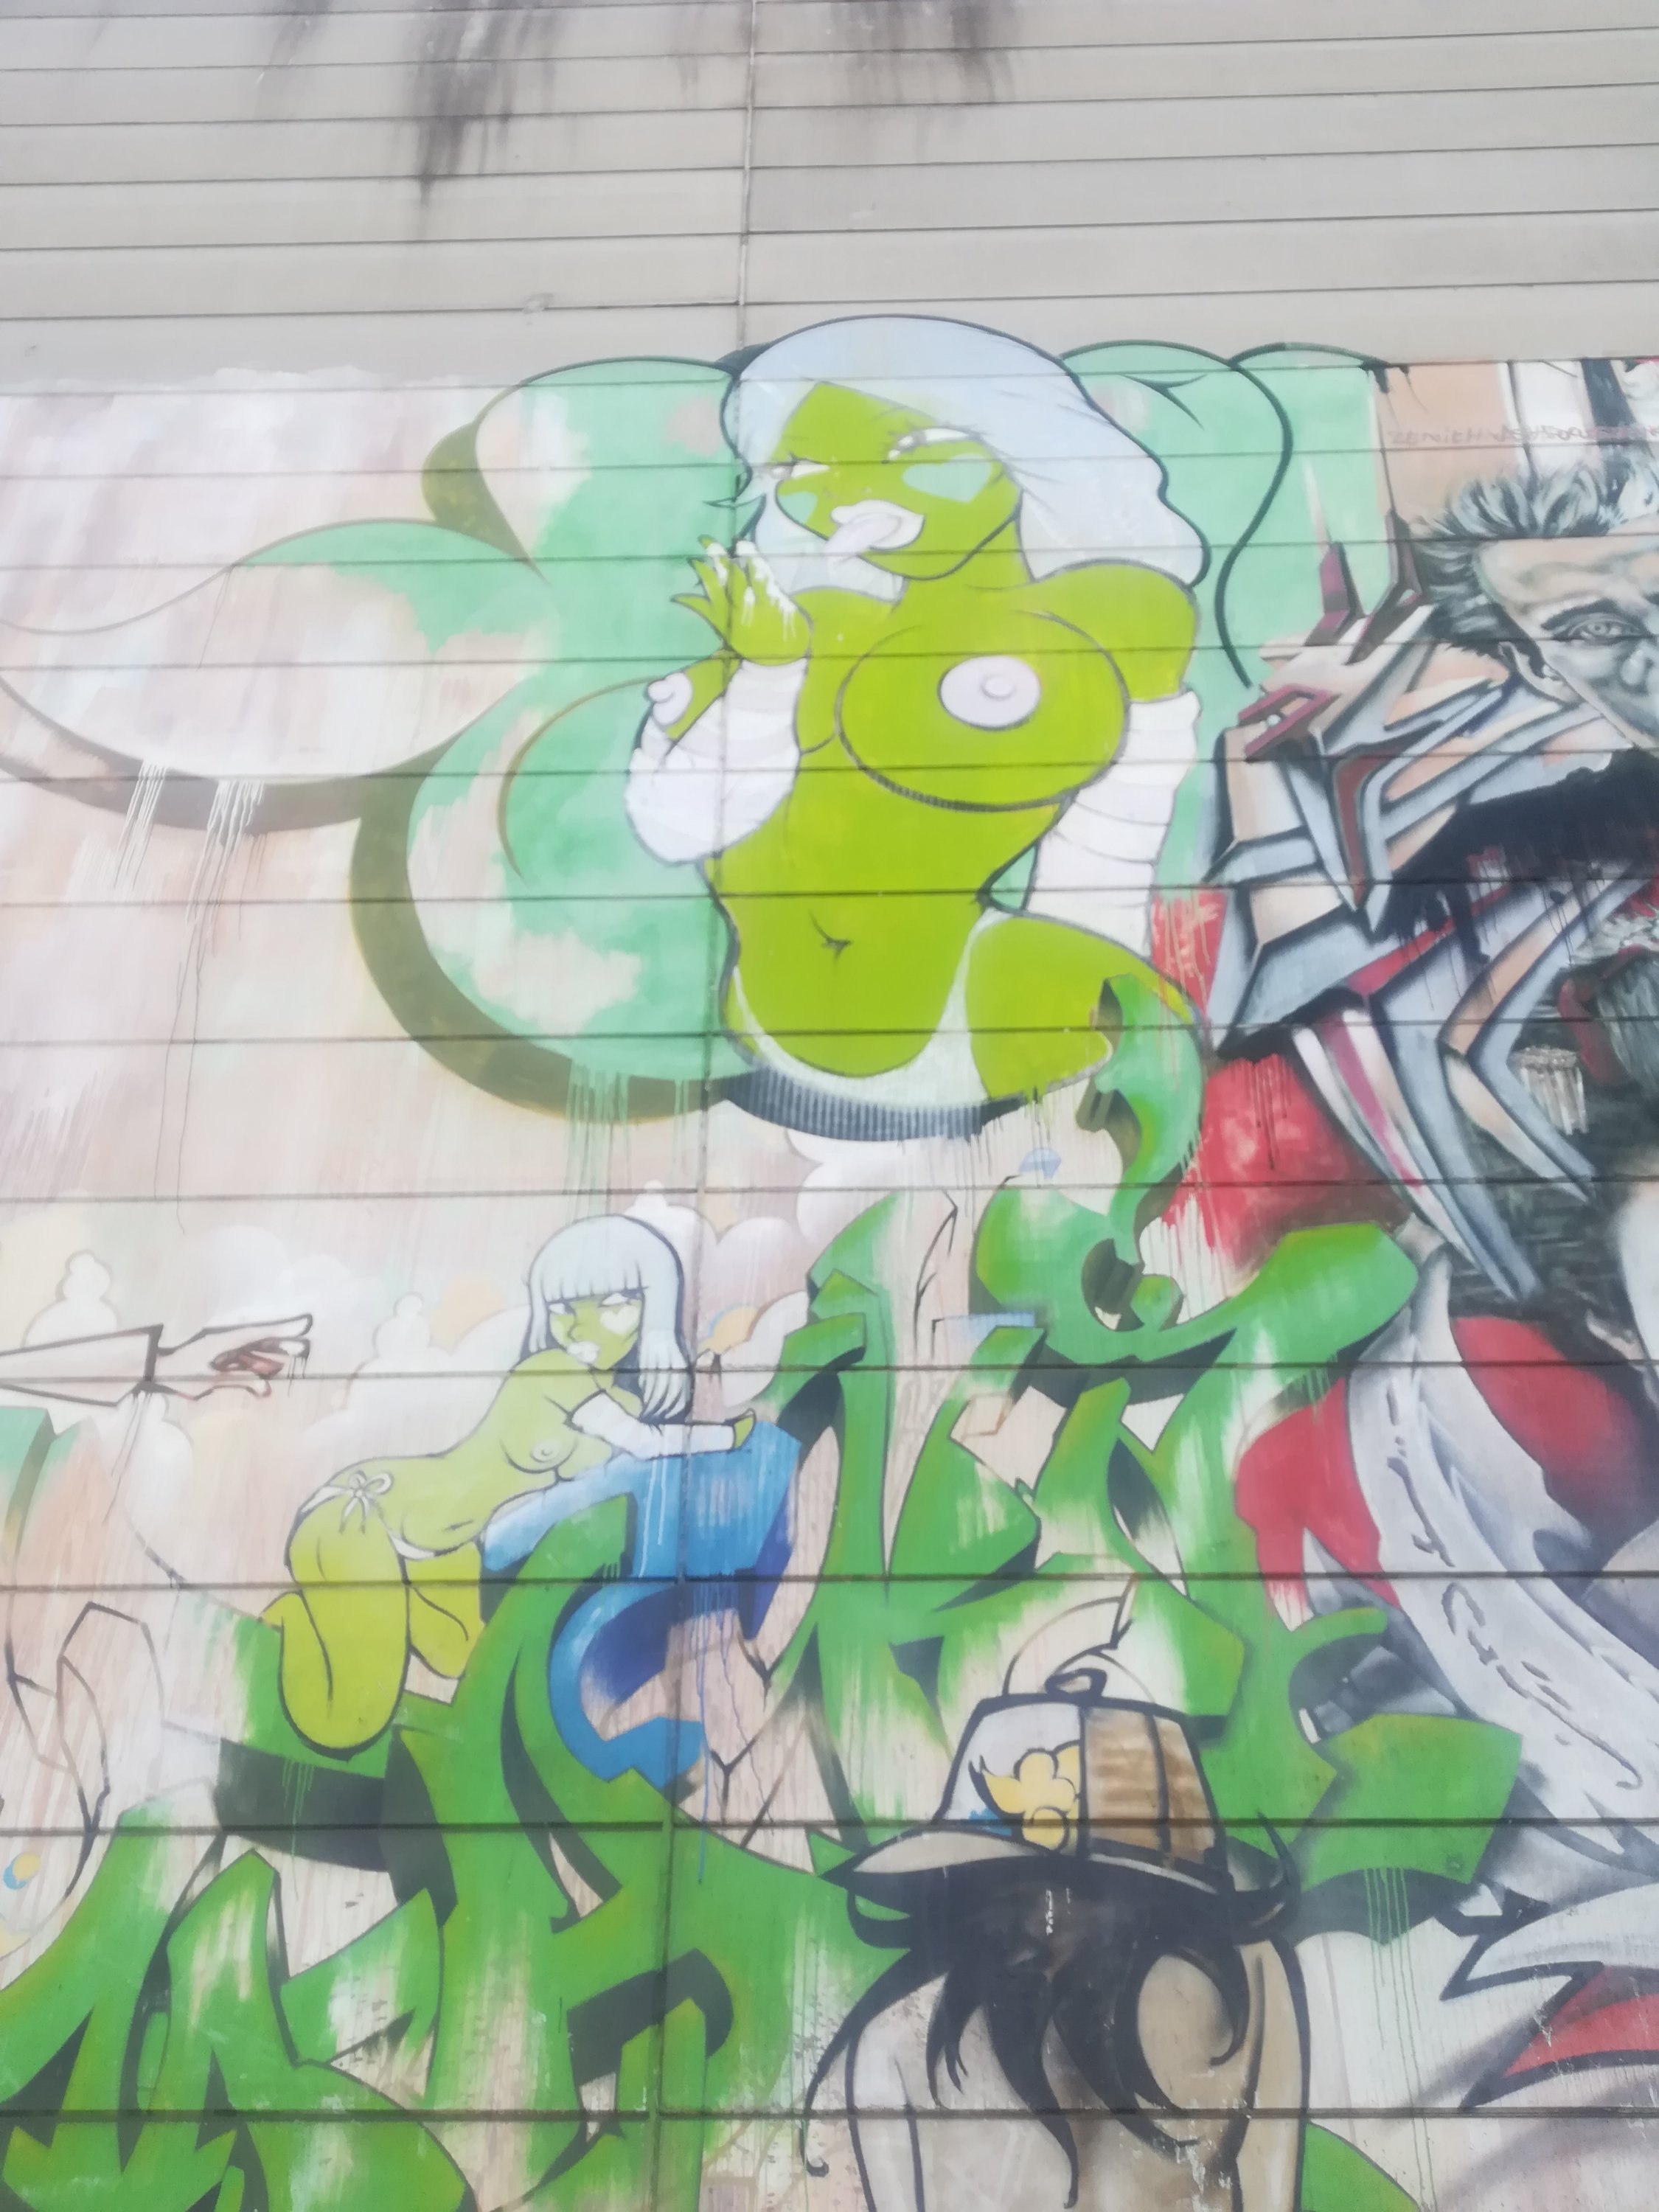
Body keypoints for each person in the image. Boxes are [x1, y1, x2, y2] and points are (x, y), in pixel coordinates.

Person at [622, 316, 1206, 1207]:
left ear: (1006, 442)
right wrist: (768, 677)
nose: (839, 500)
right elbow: (676, 828)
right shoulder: (808, 621)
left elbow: (1116, 829)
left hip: (970, 1021)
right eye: (800, 474)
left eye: (892, 454)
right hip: (767, 1023)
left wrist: (1075, 1012)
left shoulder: (1111, 614)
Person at [809, 1683, 1310, 2212]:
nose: (1039, 1918)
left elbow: (1274, 2192)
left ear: (1149, 1902)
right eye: (1009, 1886)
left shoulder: (1254, 1981)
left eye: (1074, 1893)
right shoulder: (891, 2050)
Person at [265, 1216, 748, 1755]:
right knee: (350, 1718)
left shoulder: (615, 1395)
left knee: (461, 1657)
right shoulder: (554, 1372)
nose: (582, 1326)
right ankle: (289, 1621)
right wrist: (729, 1437)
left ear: (651, 1309)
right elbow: (647, 1444)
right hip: (367, 1514)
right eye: (564, 1308)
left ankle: (339, 1626)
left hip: (445, 1548)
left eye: (613, 1305)